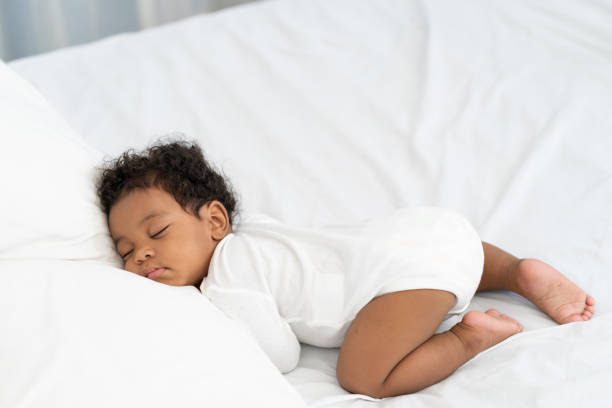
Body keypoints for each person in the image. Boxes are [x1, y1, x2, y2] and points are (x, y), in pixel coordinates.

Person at [96, 139, 595, 399]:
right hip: (431, 230)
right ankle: (516, 272)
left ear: (216, 221)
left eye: (157, 233)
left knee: (364, 377)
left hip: (399, 283)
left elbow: (283, 355)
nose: (139, 255)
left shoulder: (228, 275)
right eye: (125, 250)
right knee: (457, 255)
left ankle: (468, 337)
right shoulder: (260, 233)